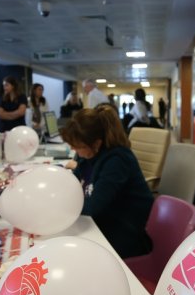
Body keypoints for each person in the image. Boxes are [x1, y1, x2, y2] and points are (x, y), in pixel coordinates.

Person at [61, 105, 154, 258]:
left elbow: (94, 206)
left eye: (78, 146)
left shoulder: (117, 160)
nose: (74, 149)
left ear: (96, 143)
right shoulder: (88, 156)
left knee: (72, 254)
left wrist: (61, 207)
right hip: (104, 222)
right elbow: (72, 185)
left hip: (125, 231)